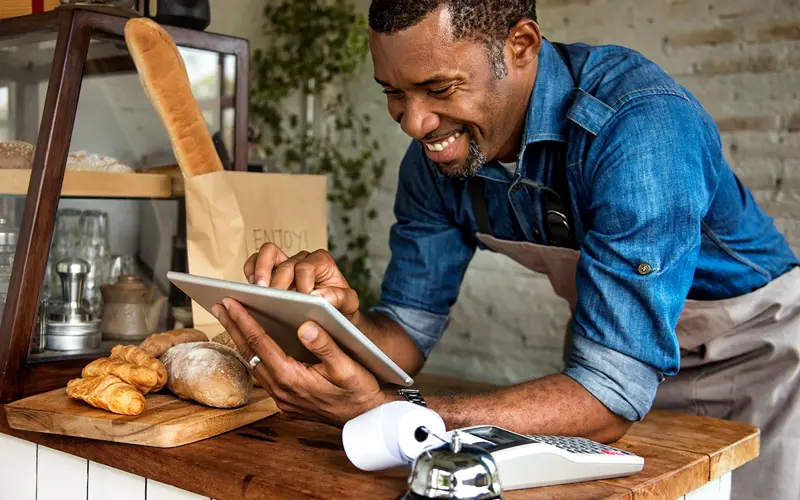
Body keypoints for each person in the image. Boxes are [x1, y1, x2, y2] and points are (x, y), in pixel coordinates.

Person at [211, 2, 800, 499]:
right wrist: (333, 322)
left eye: (439, 89)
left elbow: (609, 396)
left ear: (521, 46)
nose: (414, 123)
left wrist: (398, 415)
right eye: (393, 92)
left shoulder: (641, 128)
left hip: (758, 353)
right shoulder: (437, 160)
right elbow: (406, 335)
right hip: (615, 366)